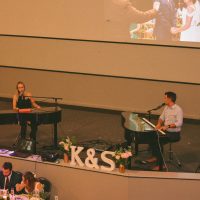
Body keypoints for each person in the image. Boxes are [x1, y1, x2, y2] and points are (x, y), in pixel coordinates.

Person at [145, 91, 183, 170]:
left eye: (165, 98)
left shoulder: (178, 110)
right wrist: (159, 124)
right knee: (151, 136)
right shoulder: (166, 108)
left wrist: (167, 126)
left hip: (174, 134)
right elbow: (161, 117)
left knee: (158, 141)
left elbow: (179, 123)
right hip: (166, 131)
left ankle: (161, 165)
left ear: (170, 99)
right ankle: (155, 156)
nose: (164, 99)